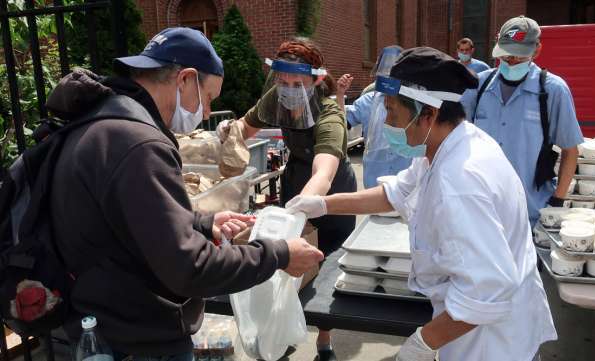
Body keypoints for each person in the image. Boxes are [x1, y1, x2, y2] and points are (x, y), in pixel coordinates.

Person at [48, 27, 323, 360]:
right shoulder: (138, 144)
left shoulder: (105, 120)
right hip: (134, 339)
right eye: (208, 98)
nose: (207, 113)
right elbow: (191, 269)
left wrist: (203, 223)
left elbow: (128, 219)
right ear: (185, 80)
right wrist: (279, 254)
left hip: (100, 321)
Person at [286, 47, 557, 361]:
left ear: (428, 114)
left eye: (393, 112)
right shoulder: (448, 144)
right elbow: (396, 193)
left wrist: (422, 343)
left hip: (492, 343)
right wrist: (321, 204)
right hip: (477, 326)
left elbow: (486, 292)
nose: (387, 122)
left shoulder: (460, 182)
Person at [217, 38, 356, 361]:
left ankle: (324, 340)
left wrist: (300, 212)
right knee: (288, 267)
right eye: (284, 82)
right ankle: (283, 334)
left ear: (317, 80)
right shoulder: (275, 99)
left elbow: (324, 173)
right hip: (295, 181)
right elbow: (246, 127)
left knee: (327, 274)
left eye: (299, 83)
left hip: (332, 193)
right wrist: (230, 129)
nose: (290, 89)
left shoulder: (330, 114)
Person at [461, 16, 583, 226]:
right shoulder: (478, 87)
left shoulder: (553, 91)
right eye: (506, 55)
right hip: (481, 210)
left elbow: (570, 150)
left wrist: (557, 201)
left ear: (536, 51)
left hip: (530, 212)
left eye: (518, 56)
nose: (511, 61)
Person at [335, 46, 413, 188]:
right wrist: (340, 94)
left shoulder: (412, 102)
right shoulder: (368, 101)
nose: (389, 76)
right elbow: (341, 122)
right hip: (375, 178)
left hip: (405, 180)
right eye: (386, 71)